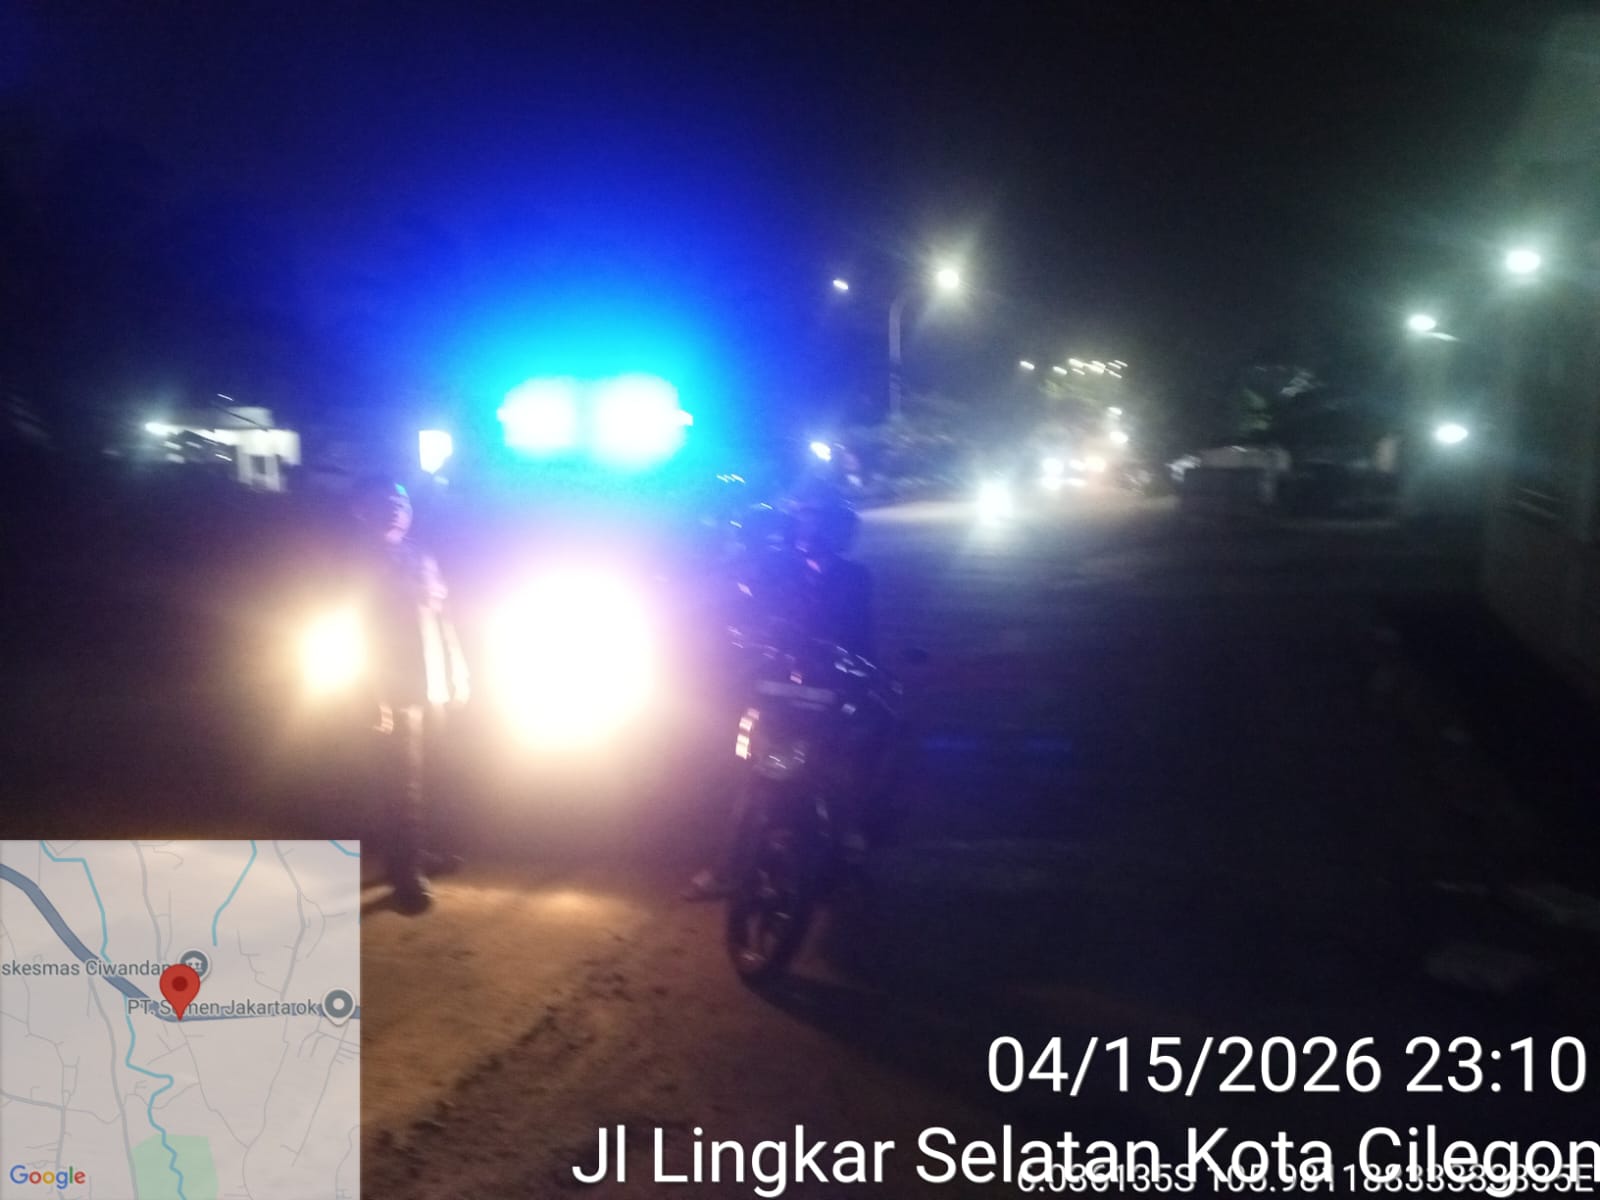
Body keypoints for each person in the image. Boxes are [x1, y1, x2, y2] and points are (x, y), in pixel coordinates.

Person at [347, 476, 469, 914]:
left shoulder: (421, 556)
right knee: (401, 788)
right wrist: (369, 694)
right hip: (390, 688)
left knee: (430, 777)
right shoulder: (354, 562)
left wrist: (458, 669)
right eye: (384, 502)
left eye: (402, 503)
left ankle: (419, 855)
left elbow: (443, 615)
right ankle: (405, 877)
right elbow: (353, 631)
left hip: (431, 683)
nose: (396, 510)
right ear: (362, 510)